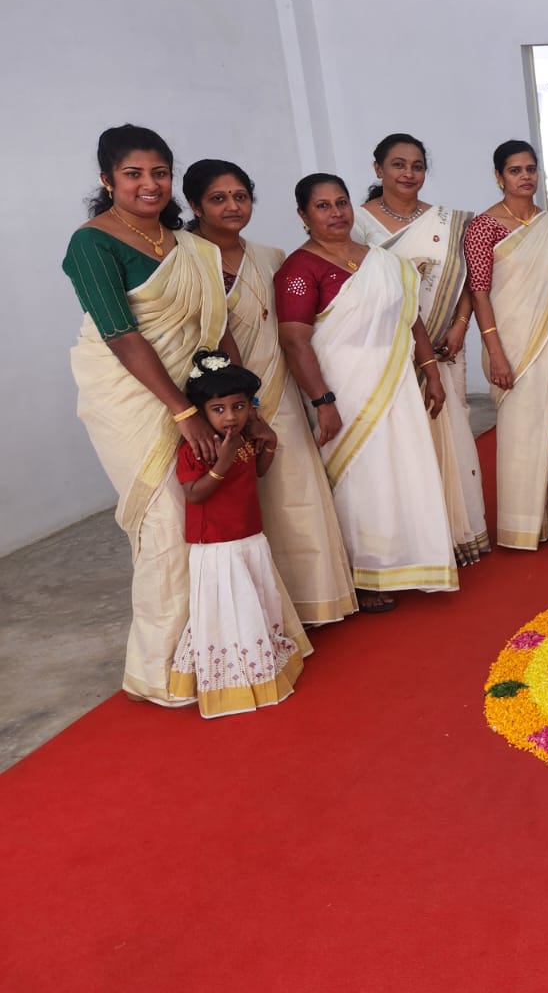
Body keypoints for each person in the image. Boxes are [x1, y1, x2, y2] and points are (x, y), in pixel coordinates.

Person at [64, 124, 247, 704]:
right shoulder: (91, 243)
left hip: (194, 392)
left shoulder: (188, 245)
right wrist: (181, 411)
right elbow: (120, 333)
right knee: (165, 520)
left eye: (160, 173)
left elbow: (213, 328)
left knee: (208, 515)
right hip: (132, 398)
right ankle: (163, 668)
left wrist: (238, 402)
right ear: (107, 179)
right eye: (133, 174)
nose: (149, 184)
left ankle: (219, 651)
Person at [183, 159, 356, 626]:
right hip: (225, 405)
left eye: (241, 197)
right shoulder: (187, 259)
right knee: (239, 500)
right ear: (195, 205)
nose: (233, 206)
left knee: (299, 491)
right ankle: (262, 613)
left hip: (281, 389)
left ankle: (316, 601)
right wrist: (244, 409)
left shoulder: (271, 257)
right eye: (219, 199)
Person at [274, 173, 458, 604]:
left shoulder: (382, 261)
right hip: (342, 388)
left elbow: (411, 318)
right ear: (303, 214)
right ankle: (365, 574)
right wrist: (323, 401)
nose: (336, 213)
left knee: (402, 470)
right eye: (322, 206)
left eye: (341, 203)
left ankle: (406, 560)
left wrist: (431, 372)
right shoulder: (299, 270)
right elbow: (294, 341)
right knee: (359, 478)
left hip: (396, 384)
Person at [353, 133, 488, 566]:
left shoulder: (448, 222)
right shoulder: (356, 223)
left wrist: (460, 326)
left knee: (449, 433)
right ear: (378, 169)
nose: (408, 174)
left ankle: (453, 532)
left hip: (444, 346)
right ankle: (415, 540)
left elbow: (467, 281)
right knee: (400, 446)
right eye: (398, 165)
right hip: (385, 352)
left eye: (417, 166)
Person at [171, 350, 311, 717]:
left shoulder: (244, 437)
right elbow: (194, 494)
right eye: (218, 409)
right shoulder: (197, 448)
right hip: (218, 546)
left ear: (251, 406)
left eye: (239, 406)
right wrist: (223, 460)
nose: (230, 416)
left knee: (255, 601)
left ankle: (260, 665)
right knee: (231, 608)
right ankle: (233, 678)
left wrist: (269, 440)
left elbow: (260, 471)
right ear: (202, 412)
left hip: (249, 536)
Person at [464, 140, 548, 550]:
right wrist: (495, 352)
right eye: (515, 170)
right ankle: (519, 525)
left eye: (531, 169)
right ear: (499, 177)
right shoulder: (483, 227)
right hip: (511, 343)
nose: (525, 177)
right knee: (519, 432)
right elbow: (479, 294)